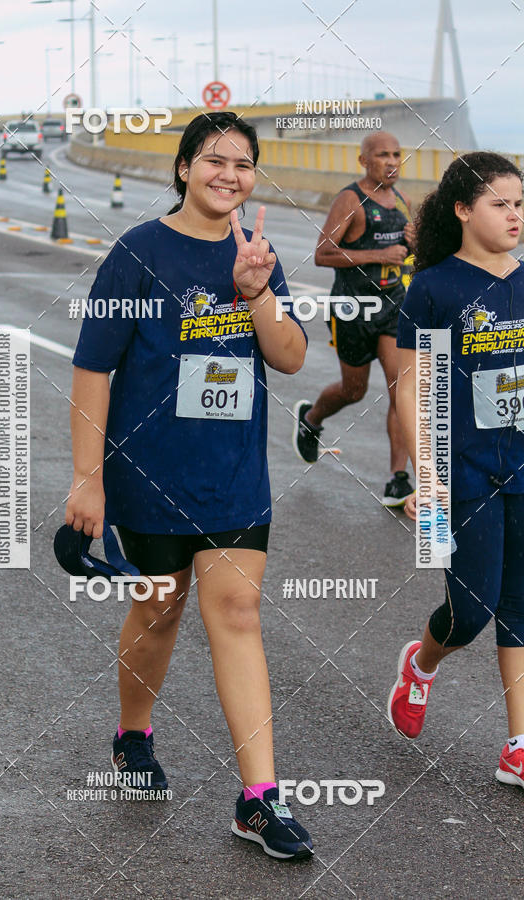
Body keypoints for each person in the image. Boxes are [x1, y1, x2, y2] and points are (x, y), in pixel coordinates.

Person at [66, 111, 314, 858]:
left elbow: (293, 357)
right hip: (148, 473)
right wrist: (87, 480)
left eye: (243, 163)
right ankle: (134, 735)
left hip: (234, 474)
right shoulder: (138, 252)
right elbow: (91, 368)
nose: (228, 174)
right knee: (160, 609)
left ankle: (259, 800)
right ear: (182, 169)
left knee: (237, 610)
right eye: (213, 159)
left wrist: (255, 291)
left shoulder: (257, 256)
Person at [388, 151, 524, 790]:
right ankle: (423, 661)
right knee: (470, 614)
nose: (515, 215)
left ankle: (518, 745)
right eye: (500, 203)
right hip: (462, 472)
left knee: (520, 607)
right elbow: (412, 388)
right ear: (465, 210)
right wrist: (428, 473)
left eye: (520, 204)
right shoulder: (437, 287)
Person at [293, 131, 416, 506]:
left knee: (402, 389)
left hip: (393, 306)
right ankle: (311, 419)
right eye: (382, 155)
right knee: (354, 390)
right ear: (364, 160)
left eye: (397, 154)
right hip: (352, 308)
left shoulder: (404, 201)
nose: (392, 161)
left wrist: (416, 242)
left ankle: (398, 479)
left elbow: (408, 253)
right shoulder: (351, 199)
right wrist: (380, 255)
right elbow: (323, 254)